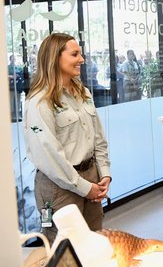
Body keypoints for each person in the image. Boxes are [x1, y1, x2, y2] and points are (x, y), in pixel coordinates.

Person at [22, 33, 111, 243]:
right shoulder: (38, 101)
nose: (82, 59)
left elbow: (98, 138)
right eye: (75, 54)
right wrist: (83, 187)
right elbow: (49, 155)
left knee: (94, 243)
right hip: (57, 188)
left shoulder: (83, 93)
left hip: (91, 178)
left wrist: (104, 173)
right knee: (65, 249)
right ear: (55, 58)